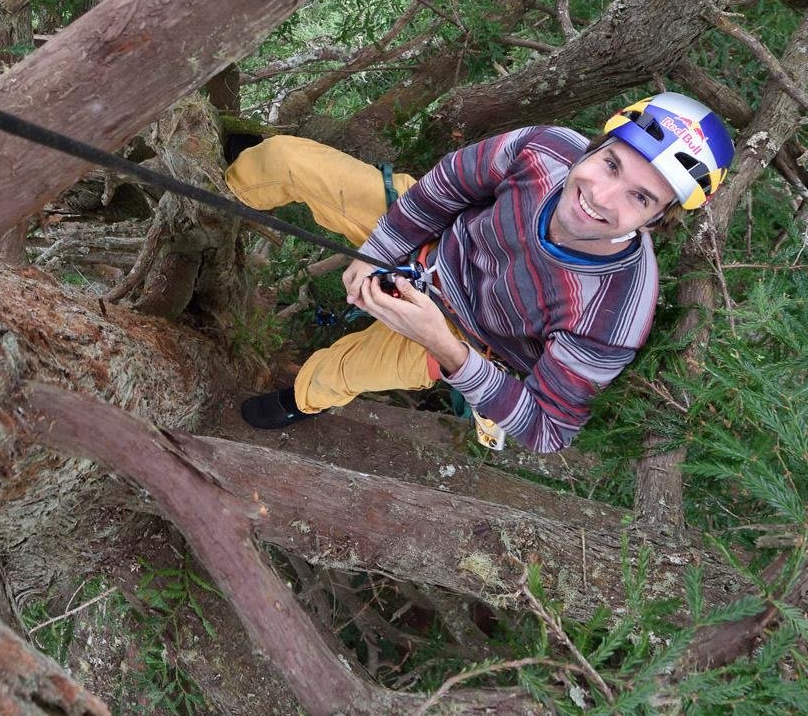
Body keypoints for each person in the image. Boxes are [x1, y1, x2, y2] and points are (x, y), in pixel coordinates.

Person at [229, 93, 734, 454]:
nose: (601, 197)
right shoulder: (546, 152)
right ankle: (222, 185)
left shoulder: (615, 311)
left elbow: (548, 428)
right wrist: (379, 250)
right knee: (284, 159)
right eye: (613, 166)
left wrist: (445, 349)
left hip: (461, 337)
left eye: (640, 197)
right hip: (431, 238)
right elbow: (445, 186)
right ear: (595, 147)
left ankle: (300, 400)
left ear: (657, 219)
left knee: (341, 372)